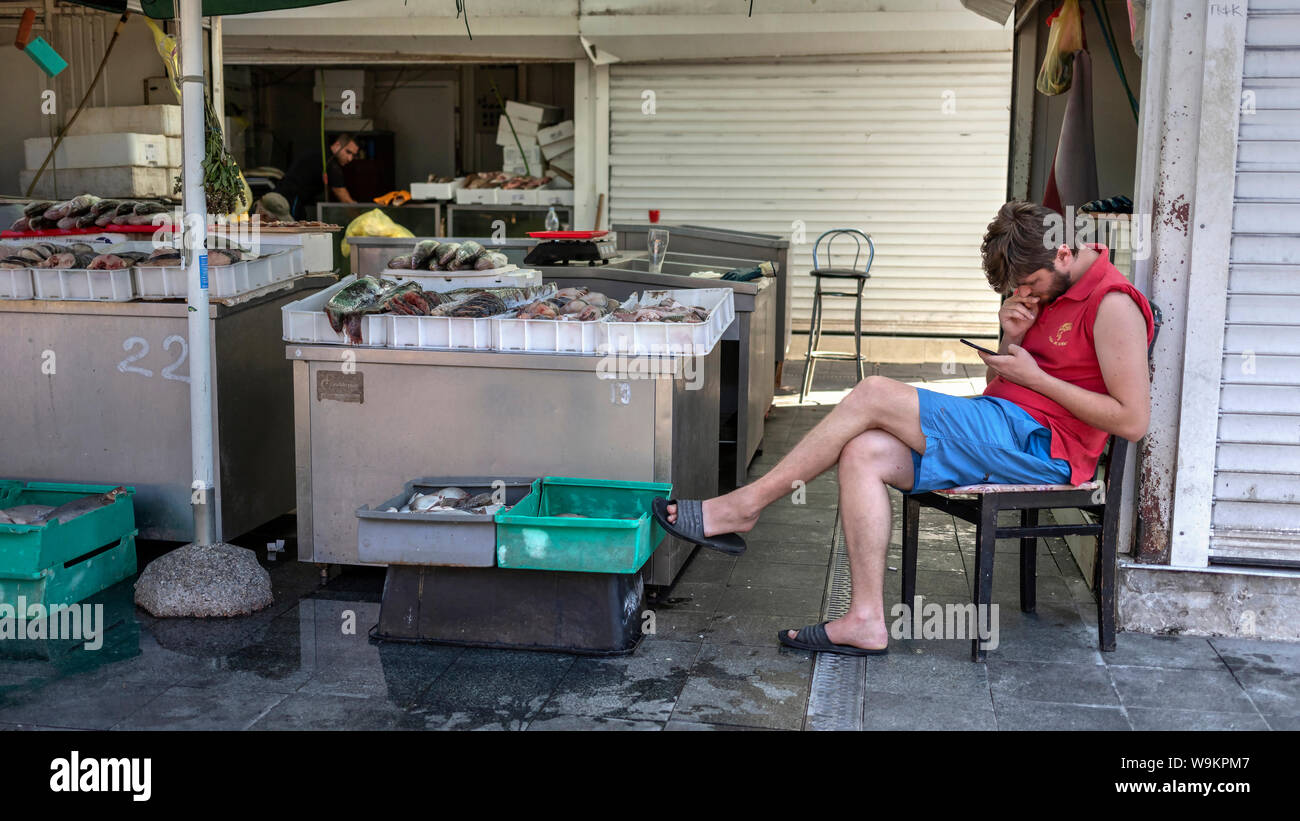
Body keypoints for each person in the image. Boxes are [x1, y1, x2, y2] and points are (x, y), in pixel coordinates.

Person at [652, 200, 1155, 656]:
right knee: (864, 451)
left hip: (1046, 449)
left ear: (1063, 252)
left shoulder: (1113, 304)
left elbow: (1132, 421)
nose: (1025, 294)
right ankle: (866, 621)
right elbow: (1004, 384)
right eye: (1016, 289)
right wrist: (1011, 340)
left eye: (1030, 285)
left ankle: (743, 506)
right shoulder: (1047, 289)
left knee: (872, 393)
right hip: (1000, 426)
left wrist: (1038, 378)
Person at [273, 133, 360, 220]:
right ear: (337, 145)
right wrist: (359, 218)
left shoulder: (323, 153)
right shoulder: (329, 163)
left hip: (287, 199)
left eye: (353, 155)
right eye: (348, 152)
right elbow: (345, 199)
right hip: (287, 200)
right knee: (290, 231)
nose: (350, 159)